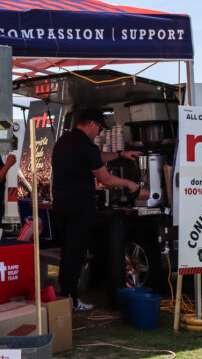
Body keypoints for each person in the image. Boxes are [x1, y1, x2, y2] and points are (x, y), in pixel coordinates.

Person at [51, 109, 141, 312]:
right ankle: (72, 300)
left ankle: (65, 295)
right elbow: (106, 180)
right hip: (78, 207)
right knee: (76, 254)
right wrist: (129, 183)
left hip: (61, 205)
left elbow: (97, 157)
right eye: (99, 128)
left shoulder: (64, 142)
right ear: (92, 124)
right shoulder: (86, 146)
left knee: (67, 251)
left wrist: (120, 154)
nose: (98, 133)